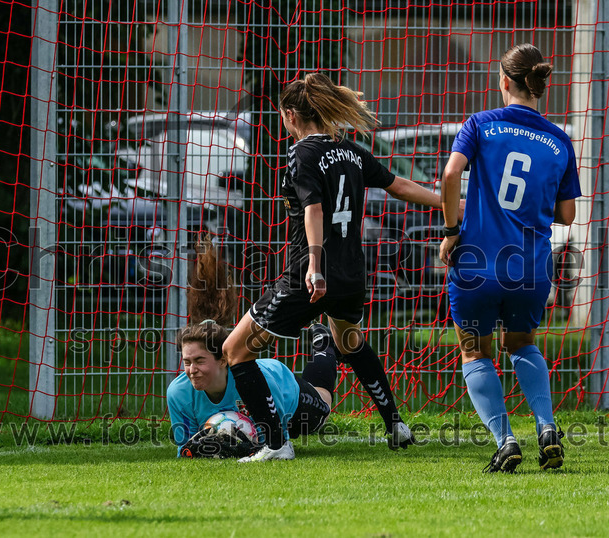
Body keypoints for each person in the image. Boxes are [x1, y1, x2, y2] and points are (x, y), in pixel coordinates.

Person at [222, 72, 448, 462]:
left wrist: (314, 265)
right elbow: (399, 185)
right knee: (350, 343)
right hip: (351, 275)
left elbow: (313, 209)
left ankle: (276, 444)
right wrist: (449, 204)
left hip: (308, 276)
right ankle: (396, 425)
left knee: (235, 350)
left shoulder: (302, 153)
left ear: (291, 115)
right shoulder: (351, 150)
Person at [439, 43, 581, 473]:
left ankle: (505, 440)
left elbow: (450, 173)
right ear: (541, 86)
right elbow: (567, 215)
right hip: (530, 267)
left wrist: (450, 231)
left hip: (477, 262)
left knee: (474, 351)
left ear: (503, 81)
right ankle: (547, 428)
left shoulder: (481, 124)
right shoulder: (559, 140)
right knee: (522, 344)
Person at [167, 238, 339, 458]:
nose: (192, 370)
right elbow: (185, 450)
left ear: (223, 360)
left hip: (287, 395)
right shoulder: (178, 393)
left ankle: (324, 346)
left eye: (200, 361)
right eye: (187, 362)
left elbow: (276, 444)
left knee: (323, 403)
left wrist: (246, 446)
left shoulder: (257, 381)